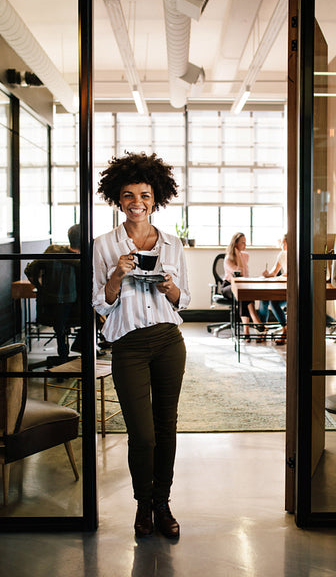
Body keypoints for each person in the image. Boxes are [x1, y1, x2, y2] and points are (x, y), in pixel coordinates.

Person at [92, 151, 190, 540]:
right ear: (119, 199)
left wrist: (170, 287)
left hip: (168, 341)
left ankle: (162, 504)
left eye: (145, 195)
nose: (137, 202)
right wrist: (117, 275)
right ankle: (142, 503)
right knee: (142, 433)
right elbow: (100, 303)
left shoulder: (172, 243)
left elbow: (185, 300)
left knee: (167, 428)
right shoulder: (103, 245)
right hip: (129, 345)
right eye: (129, 195)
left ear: (155, 199)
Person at [25, 224, 81, 365]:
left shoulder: (52, 251)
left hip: (48, 306)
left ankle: (63, 354)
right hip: (74, 311)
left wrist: (40, 288)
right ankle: (74, 351)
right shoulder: (82, 260)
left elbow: (29, 271)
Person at [221, 232, 264, 340]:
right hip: (228, 286)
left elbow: (245, 276)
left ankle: (246, 331)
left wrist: (240, 255)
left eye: (246, 242)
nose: (245, 245)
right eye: (242, 243)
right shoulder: (228, 258)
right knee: (241, 292)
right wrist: (238, 256)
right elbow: (239, 274)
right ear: (235, 244)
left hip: (241, 286)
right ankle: (255, 320)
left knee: (243, 293)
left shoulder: (246, 255)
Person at [258, 234, 287, 345]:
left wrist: (284, 276)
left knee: (273, 302)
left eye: (284, 243)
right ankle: (262, 330)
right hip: (280, 287)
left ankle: (285, 329)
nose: (281, 245)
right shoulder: (281, 255)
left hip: (291, 291)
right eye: (281, 243)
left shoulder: (296, 254)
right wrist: (267, 274)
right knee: (263, 298)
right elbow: (273, 273)